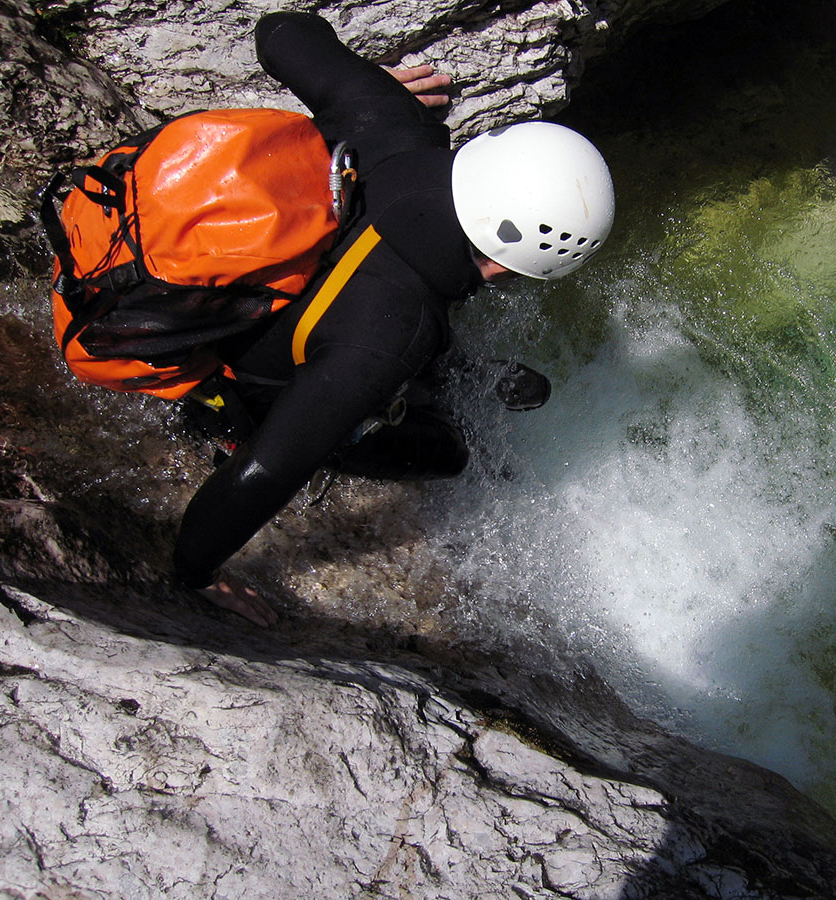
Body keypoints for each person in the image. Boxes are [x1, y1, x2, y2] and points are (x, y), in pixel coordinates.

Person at [171, 11, 615, 626]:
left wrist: (370, 86)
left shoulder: (393, 122)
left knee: (413, 336)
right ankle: (430, 390)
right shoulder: (390, 340)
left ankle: (452, 374)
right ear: (518, 264)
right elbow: (271, 468)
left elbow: (279, 31)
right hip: (238, 373)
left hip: (231, 283)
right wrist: (194, 575)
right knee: (449, 452)